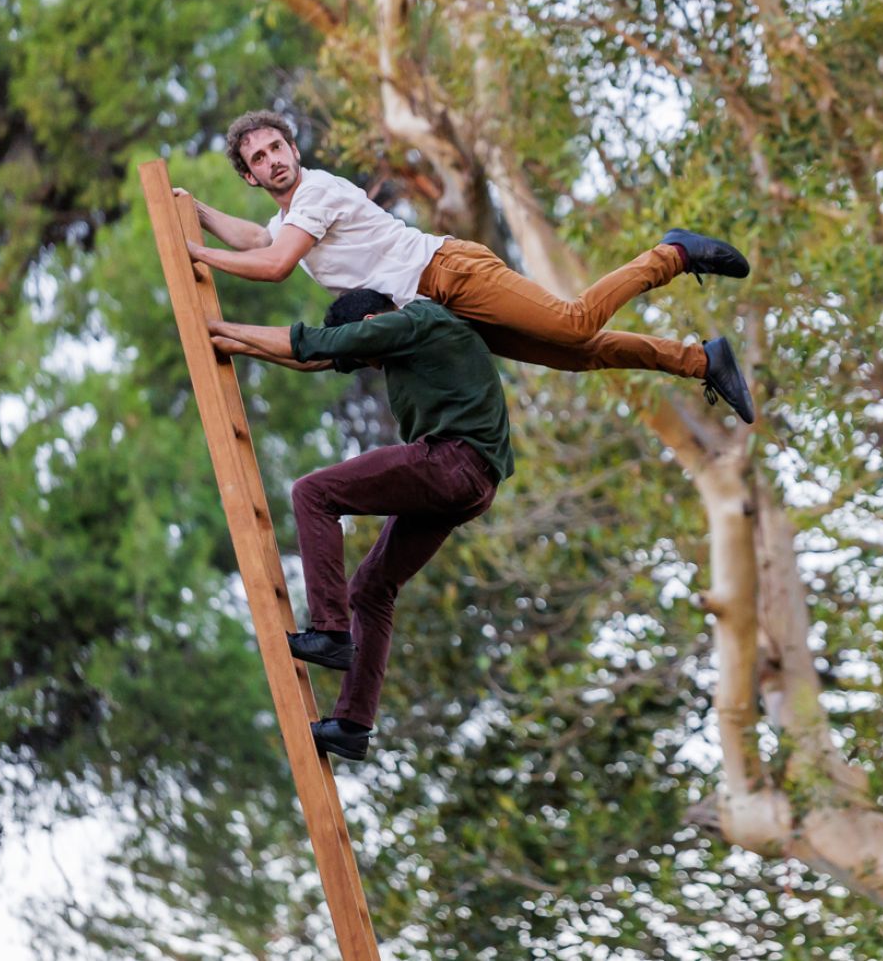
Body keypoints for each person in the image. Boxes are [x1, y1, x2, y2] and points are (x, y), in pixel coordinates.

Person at [181, 109, 756, 423]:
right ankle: (699, 360)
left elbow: (276, 263)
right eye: (259, 158)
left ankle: (671, 254)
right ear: (250, 177)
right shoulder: (286, 219)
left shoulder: (316, 193)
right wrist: (196, 212)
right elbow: (259, 236)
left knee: (576, 321)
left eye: (276, 147)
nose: (273, 160)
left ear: (293, 150)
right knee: (579, 354)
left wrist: (200, 257)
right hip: (442, 309)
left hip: (449, 272)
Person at [209, 288, 515, 761]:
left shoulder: (413, 321)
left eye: (367, 356)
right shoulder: (408, 337)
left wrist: (221, 328)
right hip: (471, 484)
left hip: (453, 459)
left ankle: (330, 631)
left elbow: (320, 342)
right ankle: (352, 726)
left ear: (370, 321)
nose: (373, 367)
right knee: (372, 590)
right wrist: (240, 343)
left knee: (313, 493)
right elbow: (314, 358)